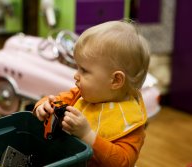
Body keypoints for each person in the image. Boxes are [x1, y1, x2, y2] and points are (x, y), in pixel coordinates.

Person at [33, 20, 150, 167]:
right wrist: (42, 106)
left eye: (84, 70)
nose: (76, 75)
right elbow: (55, 101)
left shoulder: (130, 121)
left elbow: (122, 162)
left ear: (115, 80)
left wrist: (87, 135)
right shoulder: (80, 95)